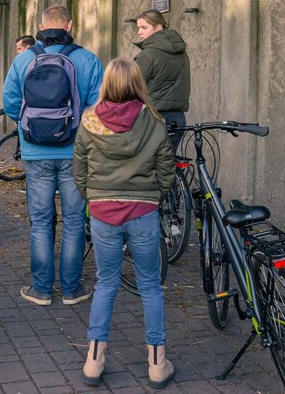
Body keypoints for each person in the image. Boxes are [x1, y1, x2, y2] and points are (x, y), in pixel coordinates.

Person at [73, 56, 176, 389]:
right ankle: (157, 363)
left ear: (107, 84)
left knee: (106, 283)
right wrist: (152, 197)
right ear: (137, 83)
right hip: (143, 210)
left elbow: (79, 171)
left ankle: (93, 360)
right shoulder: (154, 121)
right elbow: (166, 172)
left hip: (104, 212)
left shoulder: (88, 121)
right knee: (149, 285)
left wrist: (94, 198)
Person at [3, 5, 103, 306]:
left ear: (40, 25)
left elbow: (10, 104)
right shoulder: (87, 59)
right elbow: (99, 107)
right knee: (74, 221)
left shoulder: (23, 60)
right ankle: (72, 289)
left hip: (35, 153)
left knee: (41, 221)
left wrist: (30, 129)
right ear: (70, 25)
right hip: (75, 151)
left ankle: (42, 290)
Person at [133, 9, 190, 151]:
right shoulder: (182, 54)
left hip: (152, 117)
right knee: (168, 165)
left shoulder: (147, 56)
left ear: (158, 28)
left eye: (144, 27)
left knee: (147, 168)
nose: (139, 32)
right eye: (138, 28)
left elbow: (129, 89)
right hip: (178, 119)